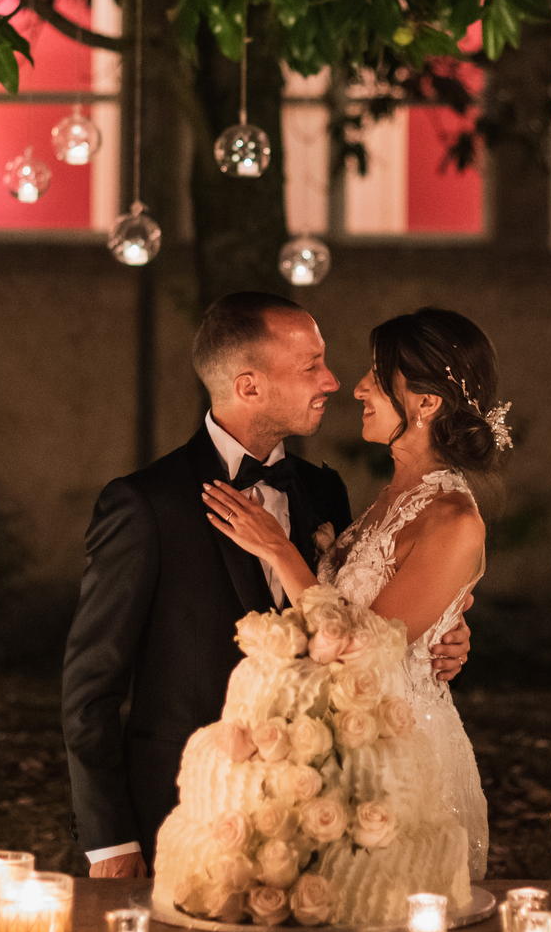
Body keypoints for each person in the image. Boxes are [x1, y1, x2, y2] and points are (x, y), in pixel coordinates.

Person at [61, 292, 475, 877]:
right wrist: (110, 841)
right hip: (185, 811)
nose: (333, 381)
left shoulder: (323, 491)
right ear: (249, 386)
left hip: (321, 809)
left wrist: (440, 631)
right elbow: (90, 688)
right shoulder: (145, 505)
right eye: (311, 366)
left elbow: (360, 616)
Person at [201, 306, 508, 879]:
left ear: (427, 401)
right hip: (338, 752)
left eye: (377, 375)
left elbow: (371, 651)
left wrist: (280, 551)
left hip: (399, 759)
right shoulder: (383, 498)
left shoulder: (452, 516)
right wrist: (446, 626)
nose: (358, 387)